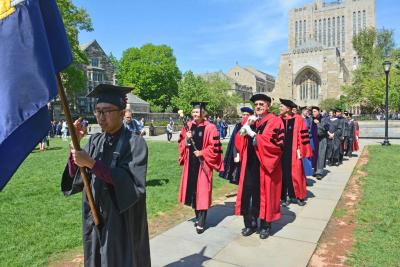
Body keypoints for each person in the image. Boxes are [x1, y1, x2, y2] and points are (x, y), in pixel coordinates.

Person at [61, 84, 151, 267]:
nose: (101, 117)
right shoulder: (95, 141)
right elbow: (78, 177)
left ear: (121, 113)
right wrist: (75, 147)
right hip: (95, 217)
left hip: (121, 221)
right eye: (98, 111)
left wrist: (92, 163)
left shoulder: (135, 143)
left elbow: (131, 184)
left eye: (106, 111)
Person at [235, 94, 285, 239]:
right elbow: (239, 140)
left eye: (262, 104)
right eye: (256, 104)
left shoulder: (275, 121)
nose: (258, 106)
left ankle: (265, 226)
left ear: (268, 106)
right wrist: (246, 127)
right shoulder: (248, 119)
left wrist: (254, 135)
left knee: (266, 197)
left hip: (265, 166)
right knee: (248, 196)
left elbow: (275, 145)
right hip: (249, 164)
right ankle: (250, 224)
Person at [178, 102, 224, 234]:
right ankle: (197, 217)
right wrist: (187, 140)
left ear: (203, 113)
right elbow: (181, 143)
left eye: (197, 112)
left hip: (203, 164)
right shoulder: (188, 126)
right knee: (192, 191)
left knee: (202, 193)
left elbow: (215, 147)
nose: (194, 114)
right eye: (193, 112)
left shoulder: (211, 128)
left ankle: (202, 221)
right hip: (191, 164)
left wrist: (202, 152)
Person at [279, 99, 312, 207]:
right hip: (281, 153)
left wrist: (302, 150)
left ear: (288, 108)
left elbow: (304, 136)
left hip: (294, 152)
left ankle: (299, 196)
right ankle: (285, 196)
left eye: (281, 106)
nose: (280, 108)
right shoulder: (278, 119)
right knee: (283, 175)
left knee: (297, 173)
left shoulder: (298, 119)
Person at [219, 107, 254, 185]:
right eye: (243, 115)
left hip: (250, 153)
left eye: (247, 115)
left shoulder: (253, 126)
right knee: (238, 172)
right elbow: (233, 142)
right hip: (238, 152)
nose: (245, 116)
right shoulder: (238, 126)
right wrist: (235, 155)